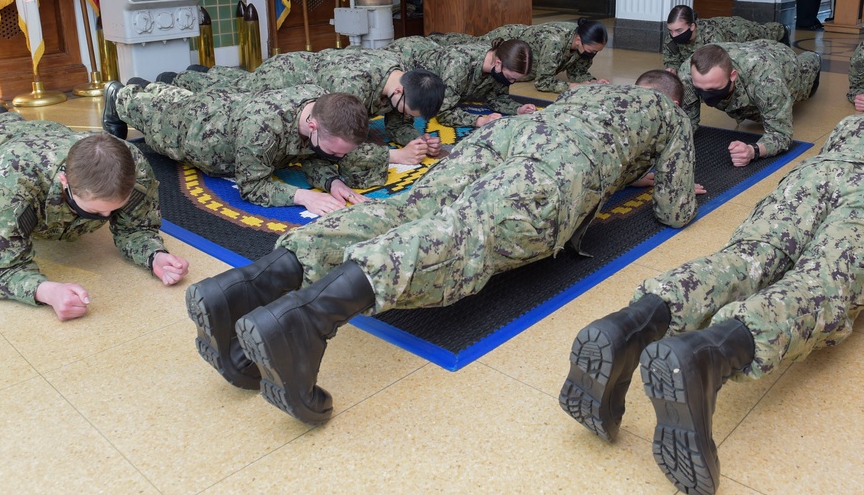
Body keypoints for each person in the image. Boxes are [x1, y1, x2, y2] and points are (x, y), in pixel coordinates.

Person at [185, 73, 699, 423]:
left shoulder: (594, 90)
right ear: (672, 99)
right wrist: (658, 177)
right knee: (467, 231)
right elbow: (675, 212)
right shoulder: (669, 114)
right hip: (560, 167)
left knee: (406, 208)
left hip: (508, 138)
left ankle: (245, 287)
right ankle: (306, 321)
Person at [560, 105, 864, 495]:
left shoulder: (855, 123)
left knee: (744, 260)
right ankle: (709, 355)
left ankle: (630, 323)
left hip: (805, 184)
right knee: (820, 284)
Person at [0, 108, 189, 321]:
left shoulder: (133, 169)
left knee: (13, 124)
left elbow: (136, 228)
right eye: (95, 211)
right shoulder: (9, 189)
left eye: (114, 209)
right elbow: (3, 270)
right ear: (65, 182)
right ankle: (1, 118)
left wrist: (155, 255)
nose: (106, 216)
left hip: (48, 133)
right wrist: (47, 291)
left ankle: (3, 114)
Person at [102, 81, 376, 215]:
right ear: (313, 126)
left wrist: (333, 182)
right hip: (199, 135)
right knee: (157, 119)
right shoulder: (262, 128)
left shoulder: (323, 108)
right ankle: (120, 95)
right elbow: (253, 187)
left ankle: (155, 88)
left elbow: (311, 153)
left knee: (180, 100)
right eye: (337, 152)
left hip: (230, 106)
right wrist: (305, 197)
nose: (340, 158)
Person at [163, 50, 447, 166]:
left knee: (237, 84)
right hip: (285, 77)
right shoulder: (351, 89)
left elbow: (396, 116)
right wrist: (395, 155)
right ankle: (182, 80)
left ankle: (201, 74)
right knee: (230, 97)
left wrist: (416, 140)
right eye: (408, 113)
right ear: (399, 91)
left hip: (311, 77)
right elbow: (338, 136)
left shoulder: (403, 79)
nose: (405, 118)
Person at [679, 41, 821, 166]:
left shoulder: (767, 80)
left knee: (805, 83)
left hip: (784, 62)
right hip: (747, 52)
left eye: (713, 89)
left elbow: (781, 135)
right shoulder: (688, 73)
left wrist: (753, 151)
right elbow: (686, 121)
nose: (705, 94)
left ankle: (814, 58)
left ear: (732, 76)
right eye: (699, 88)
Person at [379, 36, 535, 127]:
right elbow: (443, 111)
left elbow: (496, 96)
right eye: (510, 78)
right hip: (404, 55)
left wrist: (517, 109)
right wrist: (479, 120)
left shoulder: (497, 65)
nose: (512, 82)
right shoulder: (459, 64)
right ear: (498, 63)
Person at [428, 18, 610, 93]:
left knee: (472, 43)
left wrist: (590, 81)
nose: (593, 54)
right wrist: (573, 86)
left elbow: (578, 71)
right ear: (578, 40)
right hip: (510, 41)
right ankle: (439, 40)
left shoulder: (585, 46)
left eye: (596, 51)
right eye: (592, 50)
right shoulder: (554, 41)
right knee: (471, 47)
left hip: (525, 51)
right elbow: (543, 82)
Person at [662, 5, 789, 72]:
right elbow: (672, 59)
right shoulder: (672, 38)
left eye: (679, 30)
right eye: (670, 30)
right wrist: (672, 69)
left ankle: (782, 29)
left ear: (692, 26)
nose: (674, 35)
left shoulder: (712, 37)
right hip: (720, 27)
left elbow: (722, 63)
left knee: (764, 33)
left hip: (735, 31)